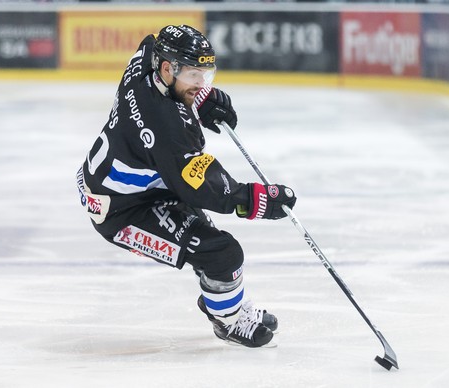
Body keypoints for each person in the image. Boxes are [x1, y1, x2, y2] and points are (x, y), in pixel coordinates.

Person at [76, 24, 296, 348]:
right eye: (194, 75)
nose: (201, 82)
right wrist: (256, 199)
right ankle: (228, 320)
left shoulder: (145, 61)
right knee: (222, 253)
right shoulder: (166, 129)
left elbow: (151, 41)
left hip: (144, 186)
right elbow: (202, 187)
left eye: (205, 74)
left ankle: (222, 300)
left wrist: (199, 97)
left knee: (207, 243)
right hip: (119, 211)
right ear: (168, 69)